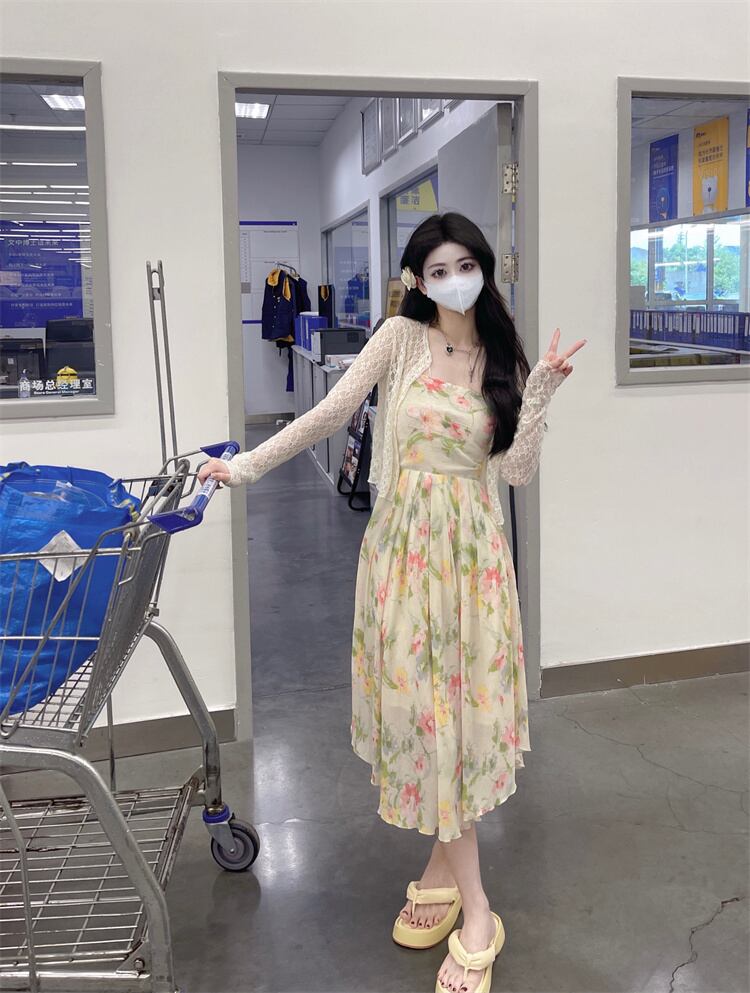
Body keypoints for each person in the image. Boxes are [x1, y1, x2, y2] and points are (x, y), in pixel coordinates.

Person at [199, 212, 586, 993]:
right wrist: (243, 467)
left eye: (465, 265)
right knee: (427, 719)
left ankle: (474, 906)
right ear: (417, 279)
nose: (453, 280)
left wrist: (540, 391)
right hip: (405, 556)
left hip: (473, 564)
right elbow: (330, 413)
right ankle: (455, 882)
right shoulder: (401, 339)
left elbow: (514, 471)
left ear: (483, 269)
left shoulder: (500, 353)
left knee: (460, 723)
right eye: (437, 269)